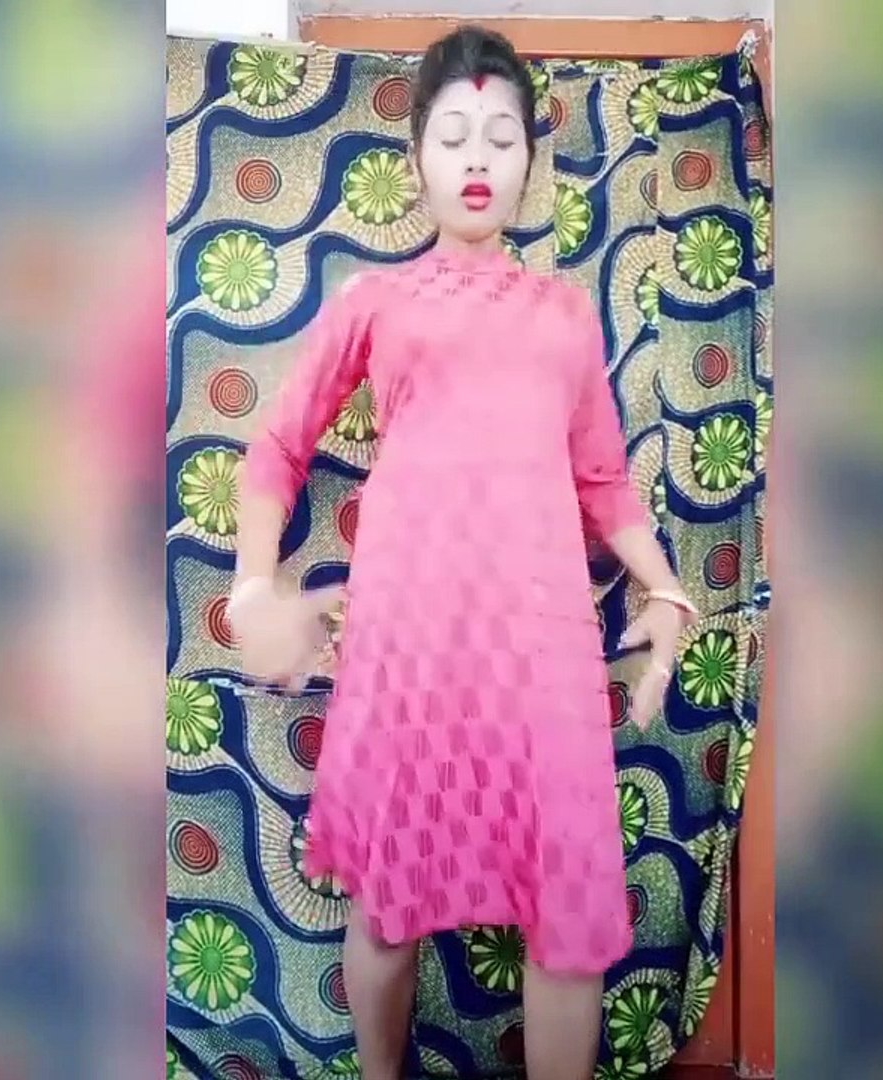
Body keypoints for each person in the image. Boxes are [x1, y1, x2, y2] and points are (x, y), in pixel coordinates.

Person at [228, 25, 696, 1080]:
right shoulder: (376, 301)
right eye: (452, 137)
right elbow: (278, 445)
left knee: (568, 923)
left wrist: (666, 589)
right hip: (412, 644)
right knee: (388, 908)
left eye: (499, 137)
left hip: (541, 652)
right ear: (417, 162)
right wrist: (254, 587)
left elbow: (602, 481)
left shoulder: (565, 316)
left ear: (530, 159)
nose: (477, 159)